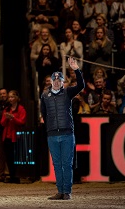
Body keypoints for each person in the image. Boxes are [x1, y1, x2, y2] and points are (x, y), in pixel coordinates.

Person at [40, 57, 85, 200]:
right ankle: (60, 191)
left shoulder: (67, 92)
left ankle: (67, 191)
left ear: (62, 82)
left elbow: (81, 85)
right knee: (57, 164)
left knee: (67, 163)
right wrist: (49, 129)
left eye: (60, 81)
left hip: (67, 133)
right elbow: (44, 114)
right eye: (55, 80)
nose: (57, 82)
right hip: (52, 134)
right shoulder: (44, 96)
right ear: (52, 81)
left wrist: (76, 70)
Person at [0, 90, 27, 184]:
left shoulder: (21, 109)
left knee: (16, 158)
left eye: (12, 97)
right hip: (7, 137)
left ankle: (17, 176)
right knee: (8, 157)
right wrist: (7, 118)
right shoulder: (7, 109)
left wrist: (13, 118)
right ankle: (11, 176)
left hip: (16, 137)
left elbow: (22, 122)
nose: (10, 99)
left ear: (17, 98)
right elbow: (2, 123)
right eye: (9, 97)